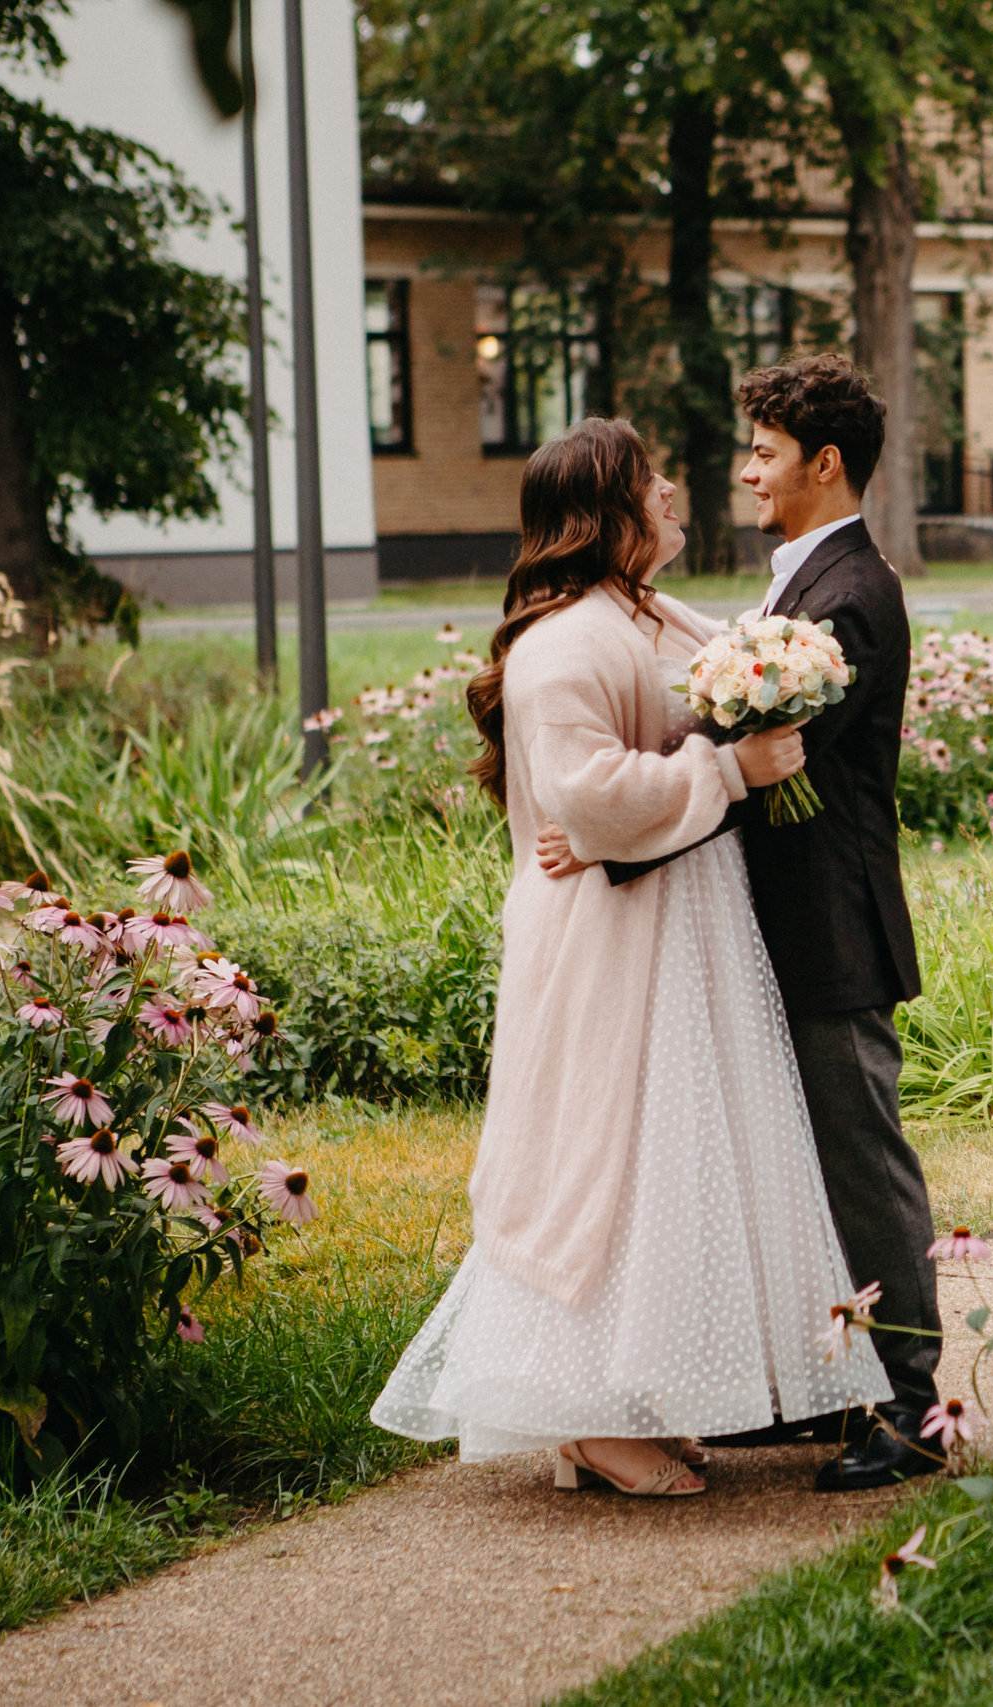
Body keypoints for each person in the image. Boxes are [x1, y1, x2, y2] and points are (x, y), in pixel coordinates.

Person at [370, 416, 891, 1497]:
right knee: (605, 1163)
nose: (670, 491)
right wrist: (733, 772)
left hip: (681, 925)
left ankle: (642, 1397)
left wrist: (750, 731)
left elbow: (699, 712)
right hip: (606, 936)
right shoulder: (564, 642)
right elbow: (588, 797)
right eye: (648, 481)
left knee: (674, 1164)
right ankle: (584, 1418)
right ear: (605, 513)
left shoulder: (650, 612)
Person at [551, 354, 944, 1493]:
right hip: (776, 927)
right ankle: (826, 1389)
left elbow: (761, 754)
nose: (748, 472)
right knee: (801, 1169)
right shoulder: (801, 585)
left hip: (831, 929)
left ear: (826, 463)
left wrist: (615, 835)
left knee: (861, 1166)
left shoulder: (850, 596)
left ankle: (912, 1406)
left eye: (766, 454)